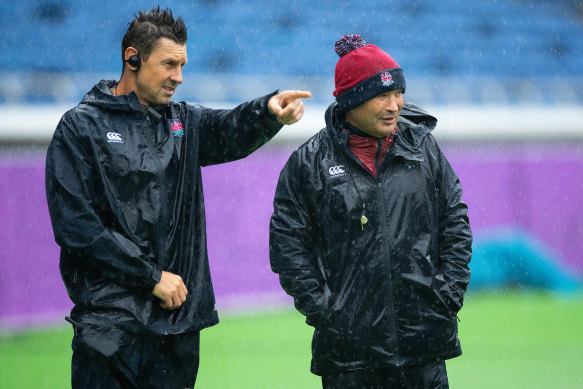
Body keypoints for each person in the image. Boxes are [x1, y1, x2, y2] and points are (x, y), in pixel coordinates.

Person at [45, 7, 310, 388]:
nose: (179, 77)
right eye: (169, 64)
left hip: (177, 326)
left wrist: (267, 112)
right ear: (132, 58)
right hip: (110, 326)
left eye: (182, 65)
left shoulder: (182, 122)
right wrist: (151, 277)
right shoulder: (81, 126)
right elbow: (77, 227)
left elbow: (229, 130)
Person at [269, 34, 472, 388]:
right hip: (349, 358)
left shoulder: (423, 148)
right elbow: (287, 247)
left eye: (398, 93)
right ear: (351, 101)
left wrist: (447, 295)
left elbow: (455, 221)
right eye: (382, 95)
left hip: (424, 348)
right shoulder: (309, 162)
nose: (394, 105)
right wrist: (327, 312)